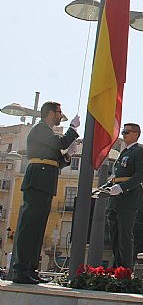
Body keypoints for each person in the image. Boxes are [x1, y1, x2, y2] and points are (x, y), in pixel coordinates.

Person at [12, 101, 79, 284]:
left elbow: (56, 160)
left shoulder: (47, 132)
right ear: (50, 113)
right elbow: (61, 142)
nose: (60, 116)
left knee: (38, 228)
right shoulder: (40, 128)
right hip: (38, 181)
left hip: (45, 181)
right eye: (59, 112)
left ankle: (31, 269)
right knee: (30, 227)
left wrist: (67, 156)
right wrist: (72, 128)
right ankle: (21, 270)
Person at [106, 123, 143, 269]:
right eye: (123, 132)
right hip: (116, 199)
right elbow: (117, 176)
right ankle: (117, 266)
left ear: (136, 134)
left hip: (128, 198)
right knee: (114, 235)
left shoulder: (140, 152)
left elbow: (141, 175)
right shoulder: (124, 153)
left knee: (125, 234)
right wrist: (105, 188)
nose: (124, 135)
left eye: (127, 132)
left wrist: (122, 188)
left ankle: (125, 269)